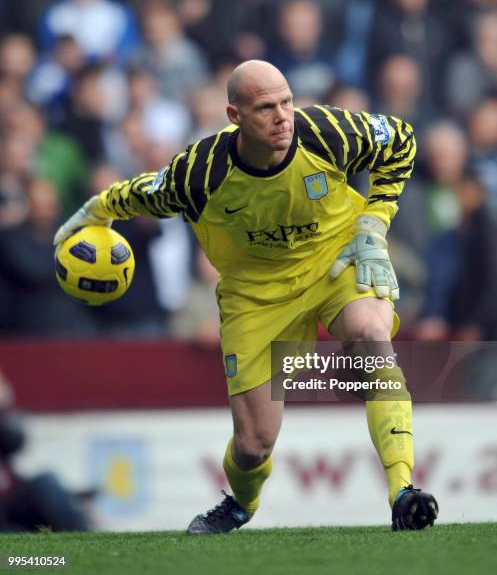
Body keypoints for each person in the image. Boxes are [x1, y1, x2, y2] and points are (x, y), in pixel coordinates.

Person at [54, 60, 438, 533]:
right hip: (256, 295)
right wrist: (93, 212)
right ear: (234, 115)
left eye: (286, 102)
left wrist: (375, 222)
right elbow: (141, 192)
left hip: (338, 259)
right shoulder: (199, 173)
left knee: (371, 336)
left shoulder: (327, 131)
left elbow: (401, 139)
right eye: (265, 109)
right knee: (255, 443)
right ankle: (240, 504)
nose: (282, 117)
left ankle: (404, 490)